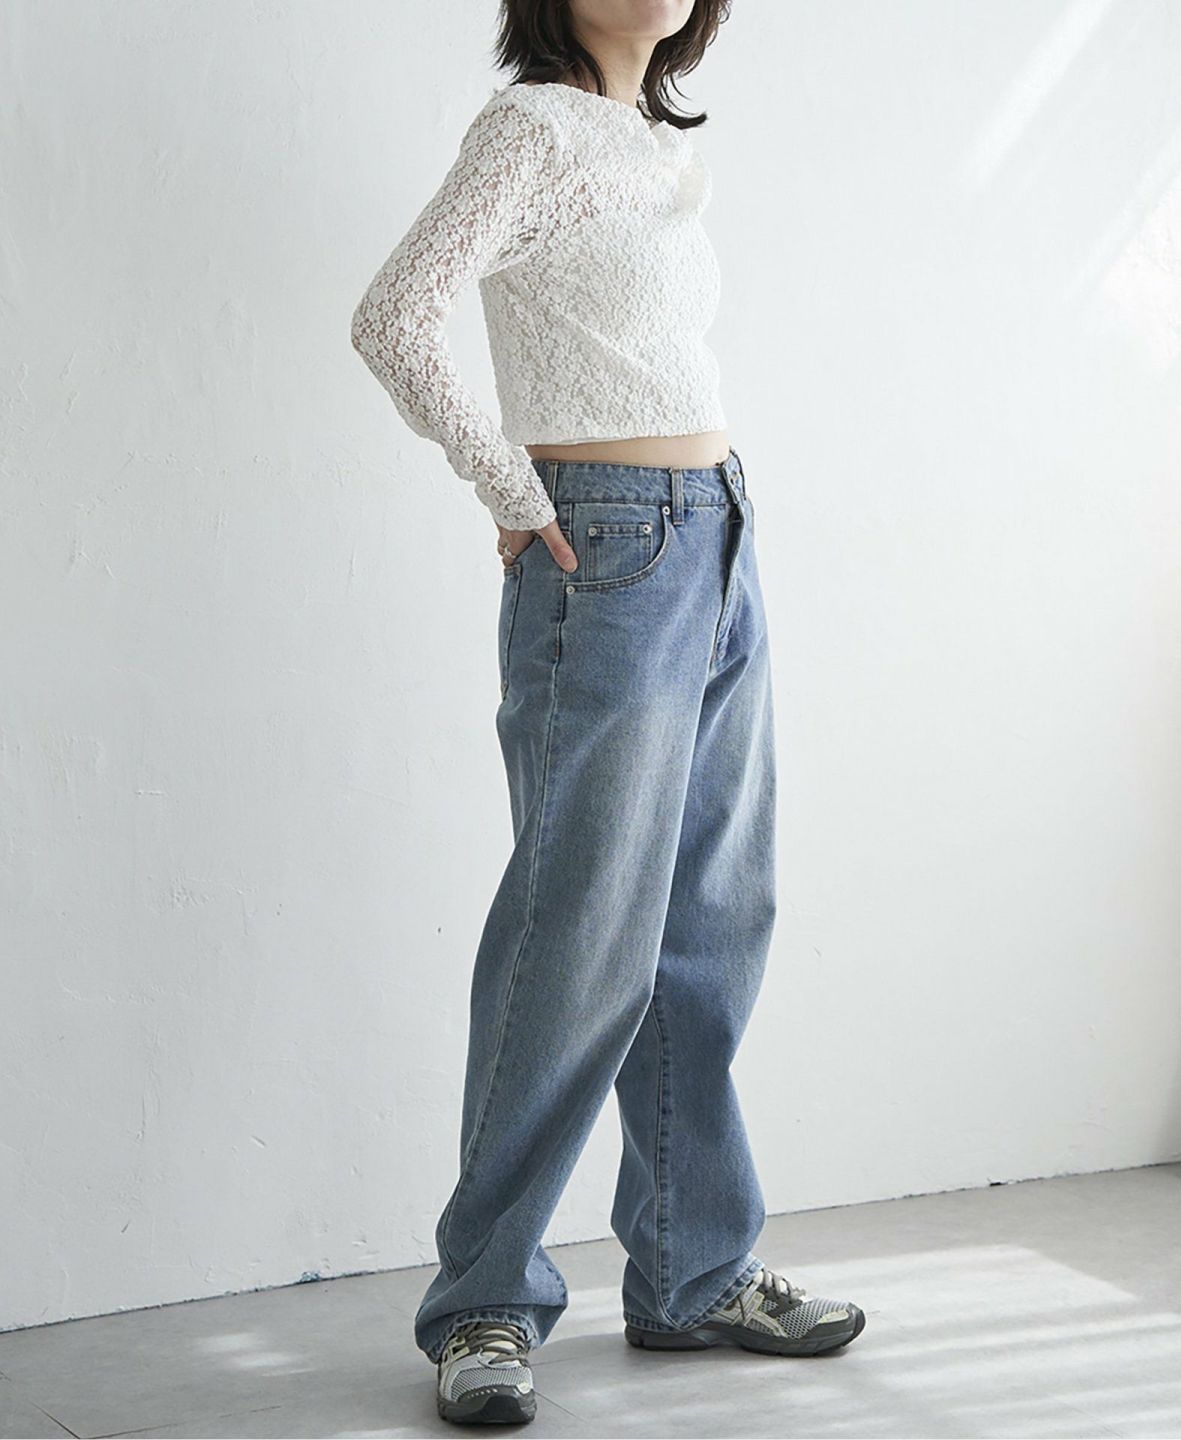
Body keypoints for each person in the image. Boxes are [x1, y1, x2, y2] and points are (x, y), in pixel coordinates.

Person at [350, 0, 865, 1424]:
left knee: (710, 922)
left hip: (717, 533)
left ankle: (694, 1270)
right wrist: (508, 488)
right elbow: (394, 316)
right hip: (609, 544)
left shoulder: (644, 144)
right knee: (576, 936)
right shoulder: (531, 129)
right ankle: (484, 1301)